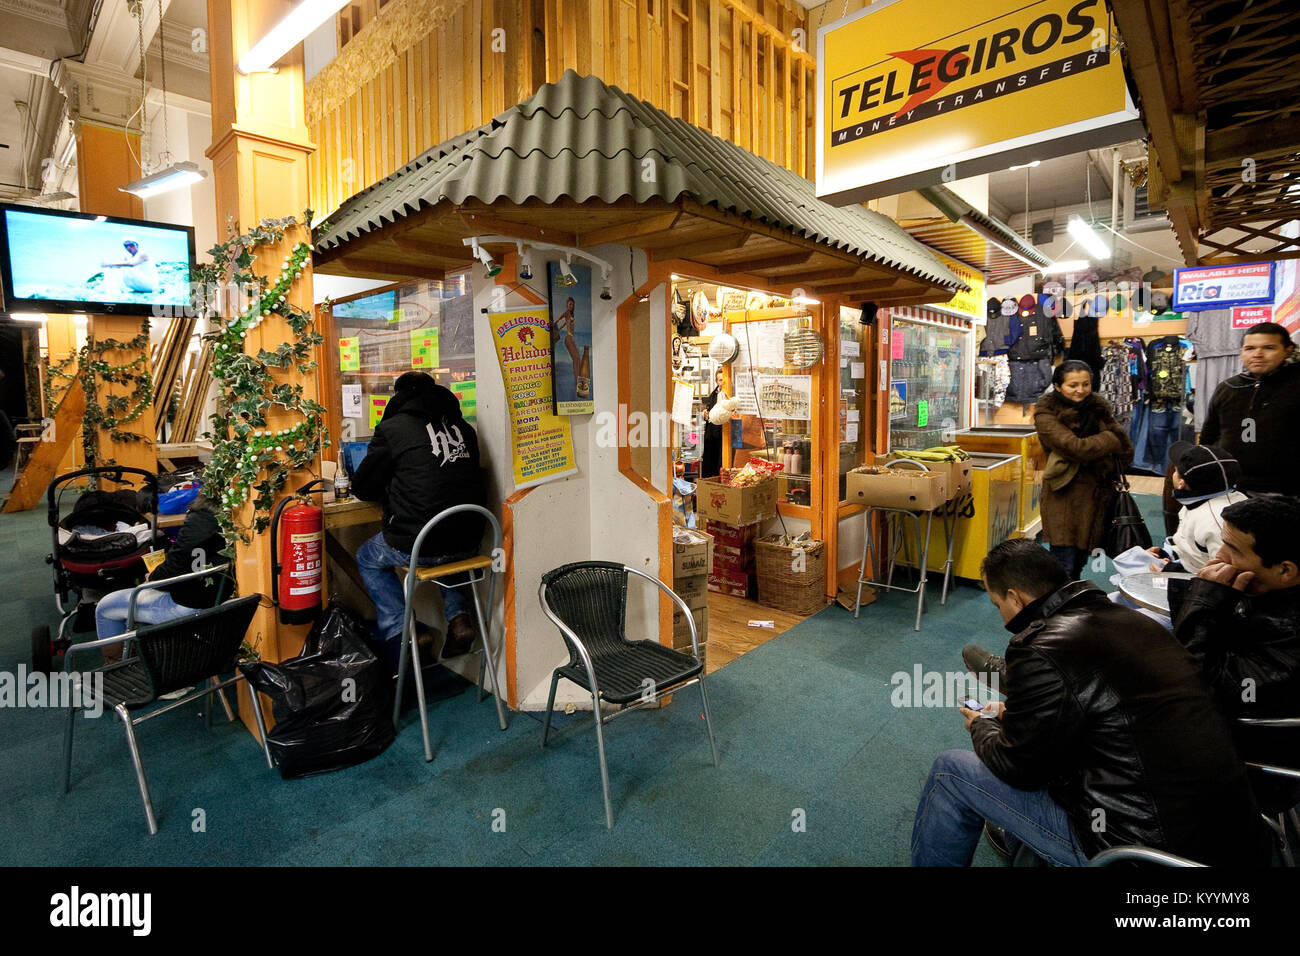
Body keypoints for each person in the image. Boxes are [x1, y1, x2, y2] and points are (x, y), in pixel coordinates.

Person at [913, 538, 1268, 867]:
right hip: (1229, 838)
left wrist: (983, 725)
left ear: (1016, 598)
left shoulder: (1040, 647)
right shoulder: (1138, 622)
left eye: (998, 605)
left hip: (1133, 850)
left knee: (950, 771)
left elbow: (1017, 767)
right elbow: (1111, 714)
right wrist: (1021, 714)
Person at [351, 371, 487, 668]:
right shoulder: (464, 428)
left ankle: (404, 630)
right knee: (447, 536)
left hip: (421, 544)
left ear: (398, 397)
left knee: (366, 557)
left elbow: (363, 488)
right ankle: (459, 618)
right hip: (470, 540)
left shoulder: (393, 428)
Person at [94, 492, 227, 661]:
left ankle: (120, 668)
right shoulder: (240, 513)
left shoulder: (203, 517)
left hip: (197, 604)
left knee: (104, 608)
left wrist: (154, 578)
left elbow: (176, 566)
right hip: (229, 602)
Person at [1033, 359, 1133, 579]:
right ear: (1058, 386)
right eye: (1073, 385)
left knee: (1078, 563)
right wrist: (1108, 439)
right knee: (1063, 565)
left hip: (1097, 498)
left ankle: (1070, 604)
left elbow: (1125, 449)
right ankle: (1056, 609)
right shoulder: (1046, 413)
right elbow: (1076, 448)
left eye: (1086, 384)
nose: (1081, 390)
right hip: (1065, 498)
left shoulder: (1098, 408)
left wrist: (1108, 443)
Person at [1199, 322, 1300, 496]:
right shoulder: (1228, 387)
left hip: (1286, 491)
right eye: (1249, 348)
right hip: (1230, 487)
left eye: (1269, 348)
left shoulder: (1295, 385)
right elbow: (1209, 436)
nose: (1257, 354)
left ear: (1288, 350)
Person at [1144, 443, 1246, 574]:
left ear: (1181, 483)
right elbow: (1196, 547)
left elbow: (1226, 574)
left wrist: (1175, 571)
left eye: (1175, 470)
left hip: (1199, 584)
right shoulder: (1198, 501)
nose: (1172, 474)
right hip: (1188, 566)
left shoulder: (1218, 521)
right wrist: (1170, 553)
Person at [700, 369, 727, 479]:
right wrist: (705, 414)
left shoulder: (728, 394)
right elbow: (708, 409)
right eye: (720, 380)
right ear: (716, 381)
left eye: (723, 380)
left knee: (721, 462)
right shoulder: (714, 394)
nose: (722, 382)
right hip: (712, 434)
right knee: (711, 461)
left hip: (724, 434)